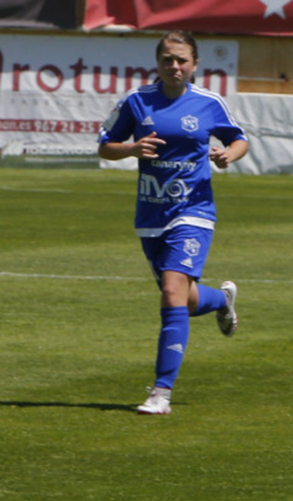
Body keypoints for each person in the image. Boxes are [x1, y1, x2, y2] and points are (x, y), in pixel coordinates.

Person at [97, 30, 249, 415]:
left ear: (194, 64)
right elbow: (104, 145)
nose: (174, 66)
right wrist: (130, 148)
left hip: (194, 211)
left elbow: (240, 139)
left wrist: (229, 155)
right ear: (158, 62)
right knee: (182, 295)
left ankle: (161, 393)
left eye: (181, 60)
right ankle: (221, 300)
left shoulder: (208, 103)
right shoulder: (136, 101)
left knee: (170, 292)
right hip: (151, 214)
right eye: (167, 59)